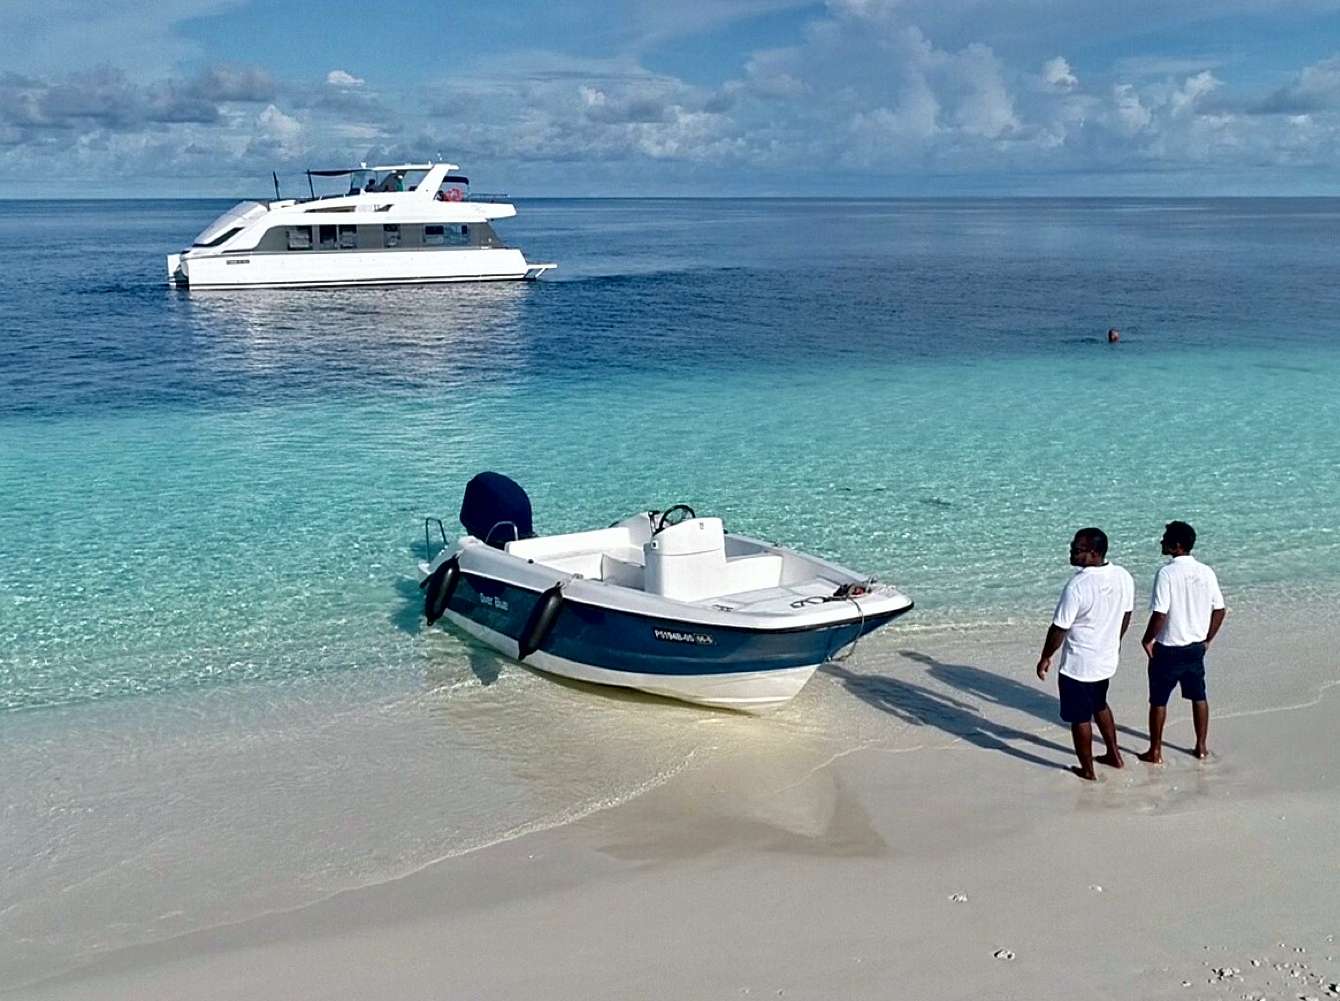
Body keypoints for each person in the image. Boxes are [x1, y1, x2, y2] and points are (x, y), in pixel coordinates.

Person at [1036, 528, 1135, 780]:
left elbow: (1059, 627)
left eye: (1077, 549)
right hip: (1105, 660)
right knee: (1099, 704)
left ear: (1094, 553)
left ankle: (1087, 770)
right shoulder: (1123, 576)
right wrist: (1115, 641)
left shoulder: (1077, 585)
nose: (1071, 551)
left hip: (1078, 665)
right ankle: (1114, 755)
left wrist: (1046, 656)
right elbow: (1126, 614)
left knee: (1080, 717)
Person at [1137, 521, 1226, 763]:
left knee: (1158, 700)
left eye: (1165, 538)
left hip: (1168, 648)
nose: (1161, 542)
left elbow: (1160, 613)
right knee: (1199, 696)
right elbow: (1219, 609)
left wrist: (1147, 639)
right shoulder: (1206, 571)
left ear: (1176, 546)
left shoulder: (1166, 573)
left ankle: (1155, 751)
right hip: (1195, 647)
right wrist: (1208, 638)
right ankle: (1201, 746)